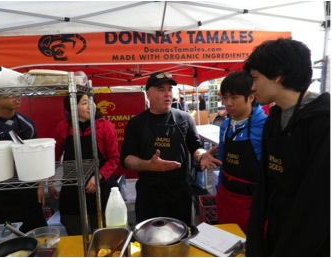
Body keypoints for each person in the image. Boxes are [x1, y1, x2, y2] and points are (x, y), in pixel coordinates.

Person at [243, 38, 330, 256]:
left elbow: (318, 201)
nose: (252, 87)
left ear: (277, 75)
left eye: (255, 78)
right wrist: (255, 241)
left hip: (311, 240)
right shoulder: (274, 118)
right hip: (276, 227)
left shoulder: (323, 122)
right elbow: (264, 183)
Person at [120, 72, 221, 225]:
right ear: (148, 94)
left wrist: (201, 156)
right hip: (149, 194)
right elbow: (126, 158)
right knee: (150, 240)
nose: (168, 94)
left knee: (180, 239)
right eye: (161, 89)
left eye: (170, 89)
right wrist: (148, 165)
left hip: (179, 194)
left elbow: (196, 147)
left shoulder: (185, 118)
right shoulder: (136, 123)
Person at [48, 94, 120, 235]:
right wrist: (49, 181)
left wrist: (98, 175)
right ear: (72, 107)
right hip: (72, 188)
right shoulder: (63, 127)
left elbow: (114, 158)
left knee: (102, 231)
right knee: (74, 229)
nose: (91, 106)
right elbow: (54, 157)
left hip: (100, 188)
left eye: (92, 102)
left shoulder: (105, 126)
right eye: (85, 102)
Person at [215, 71, 267, 234]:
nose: (228, 103)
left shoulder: (265, 126)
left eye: (234, 97)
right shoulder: (225, 126)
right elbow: (223, 162)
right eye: (225, 97)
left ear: (251, 97)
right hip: (226, 197)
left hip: (253, 203)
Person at [0, 94, 47, 233]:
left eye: (17, 91)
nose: (17, 96)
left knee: (39, 239)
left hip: (28, 193)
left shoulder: (26, 124)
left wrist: (39, 185)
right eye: (10, 92)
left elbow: (34, 156)